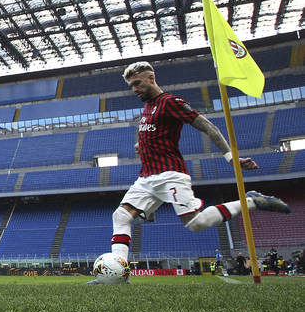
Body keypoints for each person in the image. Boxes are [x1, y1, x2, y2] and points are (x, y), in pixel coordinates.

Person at [90, 62, 291, 284]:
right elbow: (153, 135)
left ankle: (252, 201)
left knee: (195, 224)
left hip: (170, 174)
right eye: (131, 86)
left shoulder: (171, 102)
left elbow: (208, 127)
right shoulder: (148, 109)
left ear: (151, 77)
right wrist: (142, 145)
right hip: (146, 177)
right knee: (120, 216)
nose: (134, 89)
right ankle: (118, 275)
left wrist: (232, 159)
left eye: (137, 83)